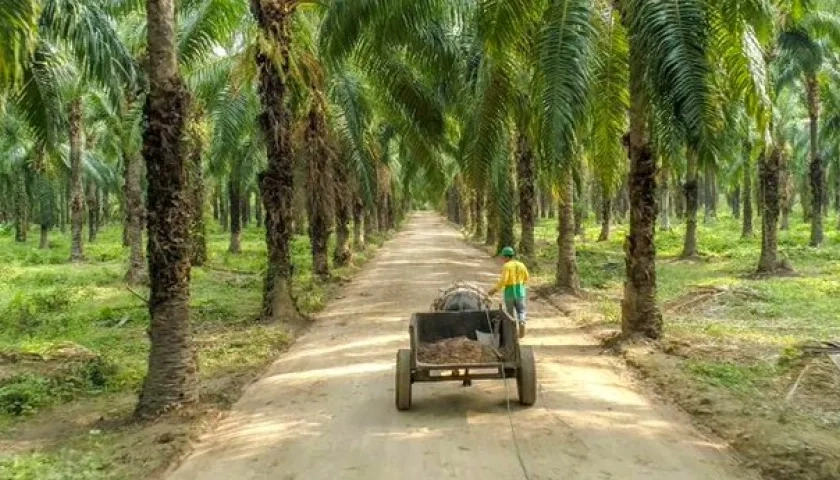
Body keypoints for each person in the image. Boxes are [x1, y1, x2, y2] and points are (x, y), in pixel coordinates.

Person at [487, 246, 529, 338]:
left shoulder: (507, 266)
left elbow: (504, 280)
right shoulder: (521, 265)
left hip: (509, 293)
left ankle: (512, 333)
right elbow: (527, 277)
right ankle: (522, 322)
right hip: (520, 292)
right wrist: (521, 284)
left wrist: (494, 290)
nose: (502, 259)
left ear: (507, 257)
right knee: (521, 311)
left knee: (510, 313)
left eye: (503, 257)